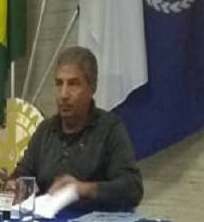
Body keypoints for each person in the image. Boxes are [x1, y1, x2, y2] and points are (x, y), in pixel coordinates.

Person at [15, 46, 143, 211]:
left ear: (92, 88)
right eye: (59, 84)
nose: (64, 94)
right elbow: (24, 174)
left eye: (73, 84)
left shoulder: (110, 129)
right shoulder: (45, 130)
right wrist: (15, 185)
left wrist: (84, 189)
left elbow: (133, 188)